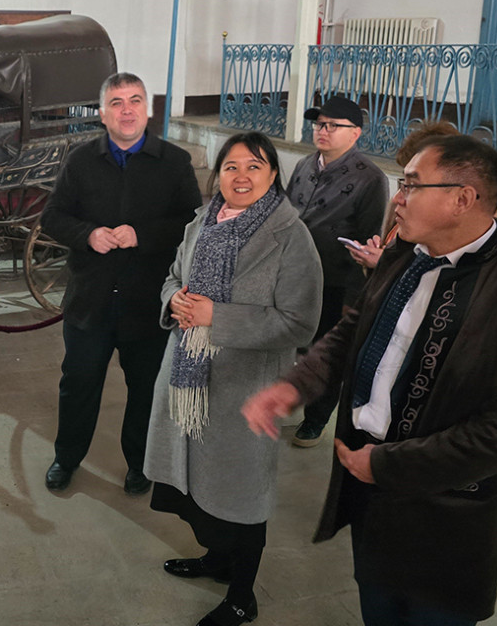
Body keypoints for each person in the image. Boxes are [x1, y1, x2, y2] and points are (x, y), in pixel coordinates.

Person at [243, 135, 497, 626]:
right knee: (378, 606)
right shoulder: (405, 252)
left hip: (450, 511)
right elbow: (353, 330)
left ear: (462, 198)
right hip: (370, 487)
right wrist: (296, 385)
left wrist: (387, 465)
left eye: (412, 185)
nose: (397, 198)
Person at [145, 132, 322, 626]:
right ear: (218, 174)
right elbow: (173, 276)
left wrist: (215, 317)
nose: (241, 177)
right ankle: (217, 560)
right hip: (188, 377)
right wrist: (175, 300)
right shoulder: (203, 221)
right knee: (198, 486)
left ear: (273, 176)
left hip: (244, 390)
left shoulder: (291, 237)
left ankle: (243, 595)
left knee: (242, 495)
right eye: (231, 167)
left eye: (254, 167)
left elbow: (300, 322)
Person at [40, 71, 202, 494]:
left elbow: (192, 222)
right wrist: (87, 235)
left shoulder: (174, 162)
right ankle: (66, 458)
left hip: (148, 304)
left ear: (147, 110)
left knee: (145, 391)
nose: (126, 110)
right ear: (102, 114)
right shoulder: (80, 161)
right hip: (90, 300)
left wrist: (142, 235)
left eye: (134, 101)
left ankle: (140, 465)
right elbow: (52, 216)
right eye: (116, 103)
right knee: (78, 385)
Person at [286, 95, 389, 448]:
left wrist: (354, 295)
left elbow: (369, 237)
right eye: (319, 124)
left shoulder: (370, 178)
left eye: (333, 126)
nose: (323, 131)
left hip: (335, 280)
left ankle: (315, 418)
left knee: (326, 351)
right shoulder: (304, 165)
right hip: (294, 273)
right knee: (291, 340)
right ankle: (287, 397)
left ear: (355, 133)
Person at [346, 121, 497, 271]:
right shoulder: (404, 199)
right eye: (406, 181)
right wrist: (381, 257)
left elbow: (480, 269)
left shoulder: (489, 208)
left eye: (414, 183)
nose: (397, 198)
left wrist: (385, 264)